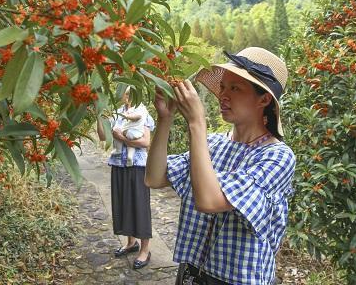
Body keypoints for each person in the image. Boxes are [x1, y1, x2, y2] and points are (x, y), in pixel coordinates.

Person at [145, 47, 296, 285]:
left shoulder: (278, 157)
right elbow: (154, 178)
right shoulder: (213, 144)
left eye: (235, 88)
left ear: (264, 99)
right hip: (193, 272)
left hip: (239, 280)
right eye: (223, 87)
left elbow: (209, 201)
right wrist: (165, 118)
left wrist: (196, 123)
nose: (223, 95)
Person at [97, 87, 155, 269]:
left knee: (139, 205)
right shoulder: (117, 114)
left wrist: (122, 137)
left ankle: (145, 250)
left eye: (132, 93)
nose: (128, 96)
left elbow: (145, 142)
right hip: (118, 165)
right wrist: (98, 114)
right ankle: (131, 243)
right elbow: (103, 135)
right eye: (126, 93)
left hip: (138, 166)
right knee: (122, 204)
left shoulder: (143, 112)